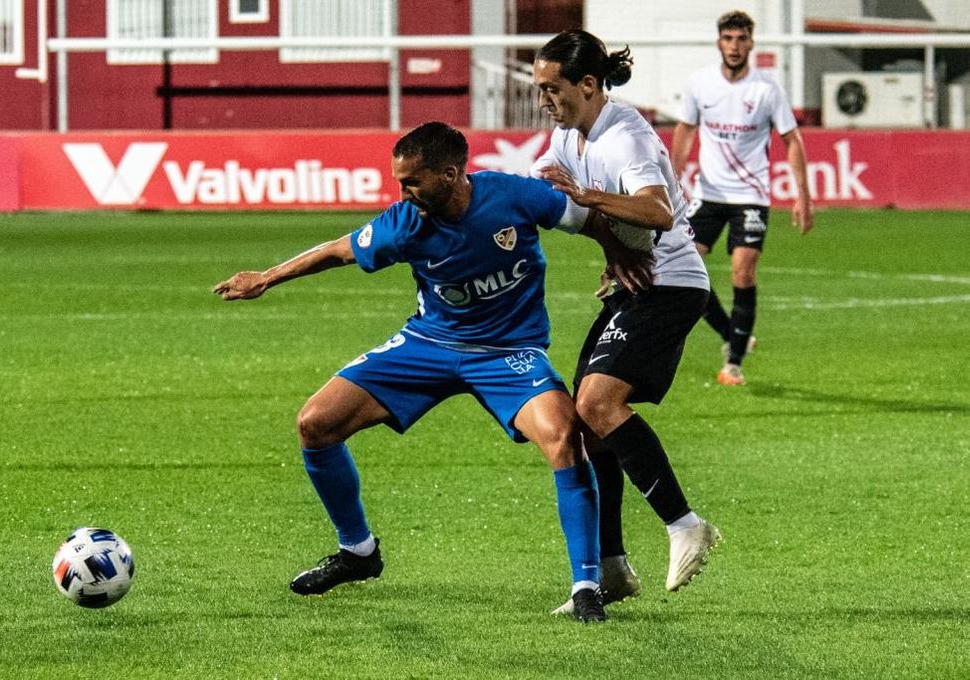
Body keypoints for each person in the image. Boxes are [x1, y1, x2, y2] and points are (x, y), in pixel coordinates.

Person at [213, 121, 629, 623]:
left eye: (411, 181)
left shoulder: (514, 196)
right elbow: (339, 250)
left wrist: (618, 256)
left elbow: (588, 220)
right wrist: (267, 277)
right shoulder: (405, 222)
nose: (402, 191)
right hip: (428, 345)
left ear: (451, 174)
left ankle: (586, 586)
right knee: (315, 423)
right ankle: (358, 552)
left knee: (564, 438)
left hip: (508, 352)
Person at [530, 29, 721, 614]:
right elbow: (545, 180)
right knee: (584, 424)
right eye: (539, 88)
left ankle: (685, 523)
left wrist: (589, 199)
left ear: (588, 85)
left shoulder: (625, 136)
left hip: (670, 285)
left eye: (551, 88)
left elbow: (656, 209)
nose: (544, 99)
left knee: (597, 405)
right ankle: (611, 567)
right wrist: (610, 246)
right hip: (633, 286)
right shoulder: (572, 133)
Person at [671, 10, 815, 386]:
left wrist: (804, 197)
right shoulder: (700, 84)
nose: (735, 46)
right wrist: (671, 180)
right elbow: (685, 132)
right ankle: (731, 333)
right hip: (708, 194)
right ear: (719, 42)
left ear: (751, 43)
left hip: (751, 195)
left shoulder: (766, 89)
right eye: (728, 38)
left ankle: (733, 363)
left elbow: (792, 140)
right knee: (687, 271)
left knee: (742, 271)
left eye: (742, 39)